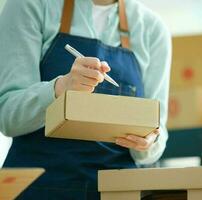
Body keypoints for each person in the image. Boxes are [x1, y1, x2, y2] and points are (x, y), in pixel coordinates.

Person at [0, 0, 171, 199]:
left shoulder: (152, 29)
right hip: (40, 188)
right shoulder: (30, 5)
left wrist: (148, 141)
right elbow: (7, 115)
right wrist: (60, 88)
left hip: (118, 191)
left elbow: (158, 133)